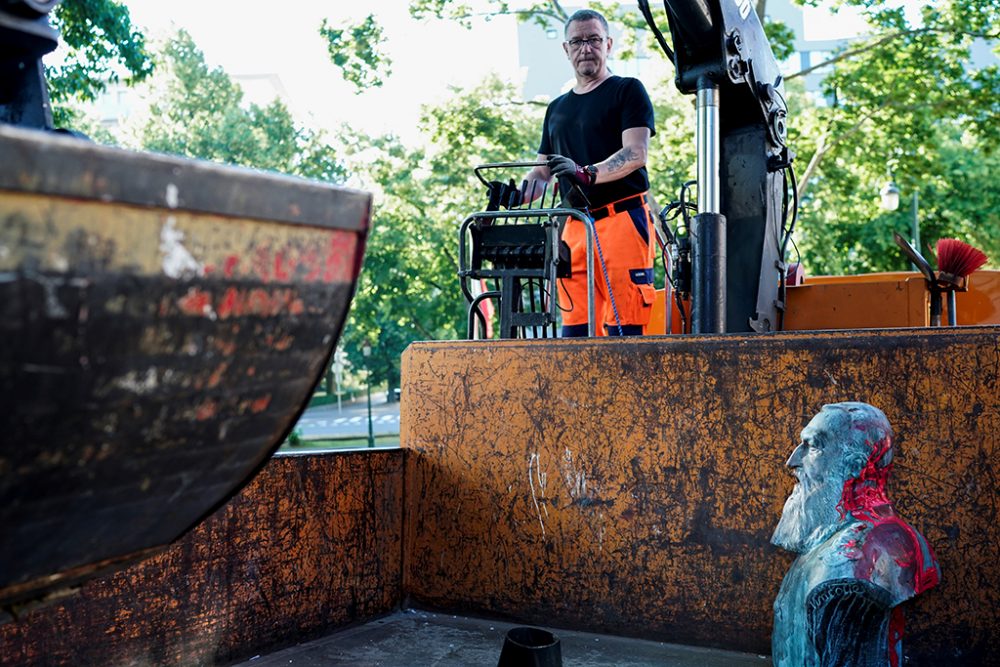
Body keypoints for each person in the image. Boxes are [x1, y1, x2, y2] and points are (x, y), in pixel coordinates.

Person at [771, 402, 940, 667]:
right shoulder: (829, 543)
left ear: (854, 464)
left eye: (813, 446)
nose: (792, 461)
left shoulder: (856, 565)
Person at [521, 9, 657, 337]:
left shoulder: (627, 90)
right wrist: (514, 193)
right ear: (566, 50)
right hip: (575, 229)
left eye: (594, 39)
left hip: (622, 221)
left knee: (623, 332)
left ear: (608, 44)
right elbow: (542, 173)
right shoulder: (557, 109)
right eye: (578, 41)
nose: (586, 48)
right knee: (576, 334)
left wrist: (585, 173)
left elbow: (635, 153)